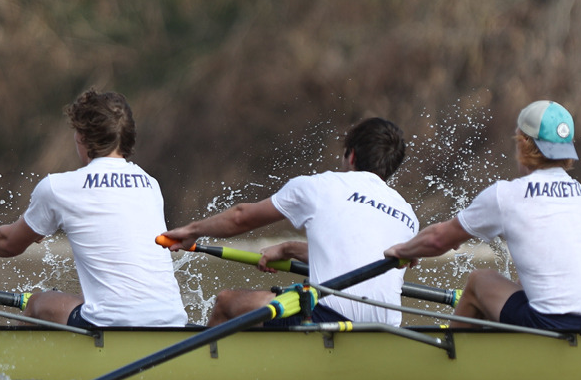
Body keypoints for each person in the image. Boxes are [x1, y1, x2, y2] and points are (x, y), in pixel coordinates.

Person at [386, 100, 581, 332]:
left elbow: (439, 239)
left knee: (480, 281)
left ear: (523, 144)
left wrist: (403, 251)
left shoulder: (507, 195)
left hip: (555, 325)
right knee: (523, 286)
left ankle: (449, 359)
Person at [0, 89, 187, 328]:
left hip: (112, 326)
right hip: (172, 322)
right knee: (85, 301)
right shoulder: (150, 184)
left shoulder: (59, 187)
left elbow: (8, 243)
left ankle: (13, 364)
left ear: (82, 137)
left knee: (39, 303)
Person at [161, 117, 416, 326]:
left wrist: (192, 231)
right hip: (385, 328)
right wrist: (288, 249)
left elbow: (241, 217)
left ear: (351, 156)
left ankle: (211, 378)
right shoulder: (408, 215)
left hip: (328, 319)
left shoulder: (320, 186)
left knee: (226, 303)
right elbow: (355, 257)